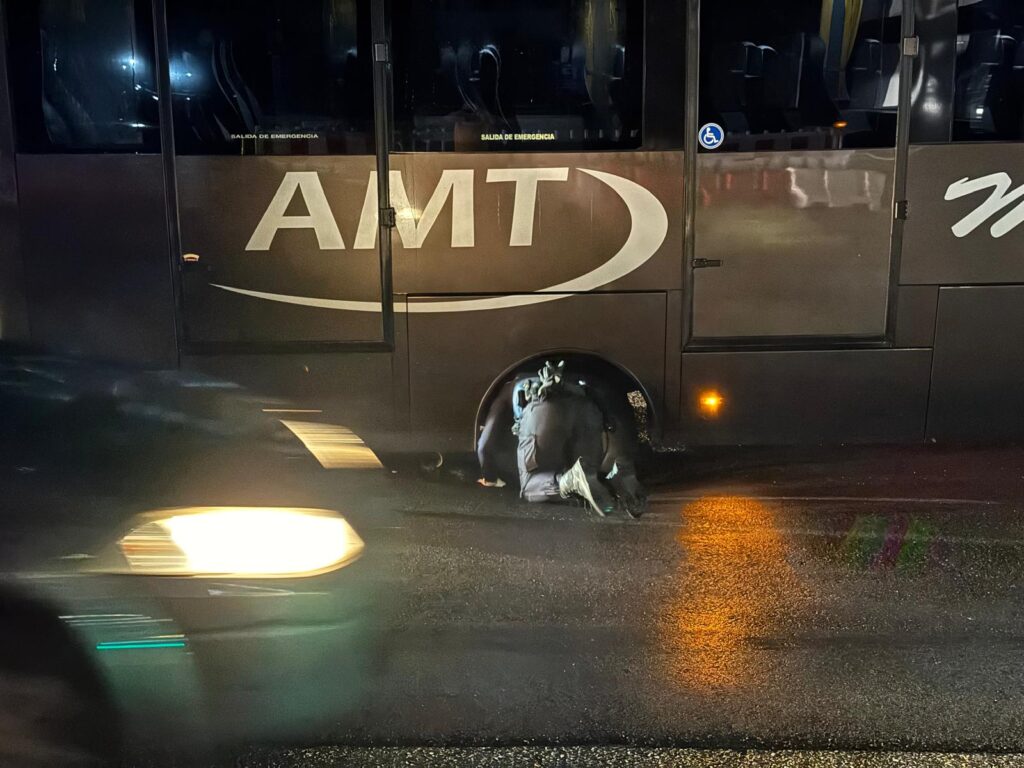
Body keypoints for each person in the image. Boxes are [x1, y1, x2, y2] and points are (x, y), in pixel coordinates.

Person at [516, 361, 617, 516]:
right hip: (588, 405)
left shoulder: (512, 380)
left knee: (529, 485)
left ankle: (568, 481)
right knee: (586, 469)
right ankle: (615, 479)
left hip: (544, 406)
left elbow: (484, 446)